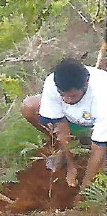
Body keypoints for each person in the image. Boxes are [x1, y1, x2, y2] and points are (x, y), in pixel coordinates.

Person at [21, 58, 106, 199]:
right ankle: (69, 149)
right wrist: (71, 166)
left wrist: (83, 192)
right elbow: (61, 127)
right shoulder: (52, 83)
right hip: (74, 119)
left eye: (72, 96)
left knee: (101, 162)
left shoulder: (102, 96)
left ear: (86, 84)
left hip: (97, 121)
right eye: (62, 95)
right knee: (28, 106)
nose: (66, 100)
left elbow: (98, 149)